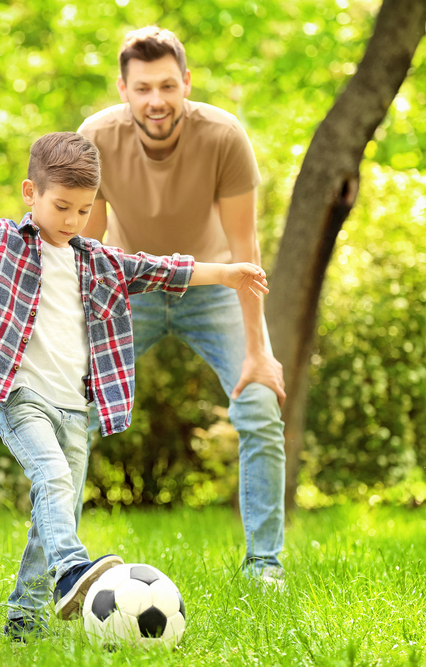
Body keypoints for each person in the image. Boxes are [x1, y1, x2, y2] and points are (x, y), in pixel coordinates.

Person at [0, 131, 270, 639]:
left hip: (74, 409)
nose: (71, 220)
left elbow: (160, 269)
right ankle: (73, 568)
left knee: (57, 506)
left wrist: (227, 273)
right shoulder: (4, 244)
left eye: (83, 211)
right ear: (30, 193)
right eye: (62, 206)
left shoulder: (99, 262)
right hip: (20, 395)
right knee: (52, 478)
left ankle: (23, 621)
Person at [76, 26, 288, 584]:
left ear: (187, 83)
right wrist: (74, 349)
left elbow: (246, 250)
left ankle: (264, 565)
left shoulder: (222, 136)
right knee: (70, 409)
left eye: (168, 86)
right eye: (143, 88)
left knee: (261, 407)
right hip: (131, 287)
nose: (156, 101)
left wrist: (258, 351)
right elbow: (85, 252)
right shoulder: (94, 137)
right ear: (123, 88)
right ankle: (65, 566)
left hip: (214, 284)